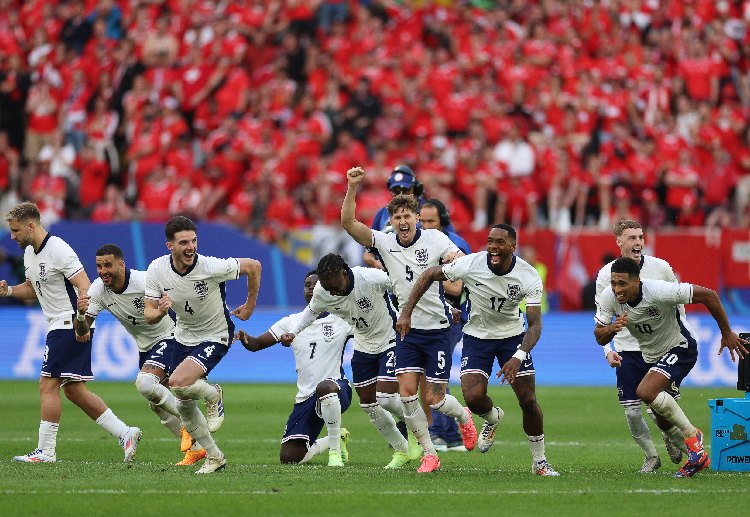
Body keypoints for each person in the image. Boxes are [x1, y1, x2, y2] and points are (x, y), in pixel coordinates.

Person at [342, 166, 476, 474]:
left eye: (408, 216)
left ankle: (464, 417)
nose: (403, 222)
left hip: (438, 328)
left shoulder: (436, 240)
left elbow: (458, 271)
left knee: (436, 398)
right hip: (406, 330)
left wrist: (448, 268)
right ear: (391, 222)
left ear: (417, 218)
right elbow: (348, 223)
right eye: (397, 218)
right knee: (406, 396)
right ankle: (430, 453)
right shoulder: (385, 243)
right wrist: (352, 187)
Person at [396, 224, 560, 476]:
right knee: (472, 398)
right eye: (490, 241)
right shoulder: (472, 263)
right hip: (476, 336)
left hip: (512, 337)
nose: (493, 247)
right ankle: (493, 417)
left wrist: (518, 355)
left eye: (500, 242)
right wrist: (406, 312)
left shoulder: (528, 275)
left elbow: (535, 324)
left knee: (528, 400)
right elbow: (429, 274)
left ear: (513, 246)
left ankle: (539, 462)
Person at [2, 201, 141, 464]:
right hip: (59, 323)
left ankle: (46, 451)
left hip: (68, 323)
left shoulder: (59, 249)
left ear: (31, 226)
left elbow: (84, 286)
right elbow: (33, 290)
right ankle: (125, 433)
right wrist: (8, 291)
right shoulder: (30, 253)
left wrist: (81, 323)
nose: (13, 236)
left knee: (48, 384)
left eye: (16, 230)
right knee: (74, 390)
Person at [595, 257, 749, 477]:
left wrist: (726, 332)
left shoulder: (659, 290)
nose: (617, 289)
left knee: (645, 392)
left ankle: (694, 441)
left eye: (622, 284)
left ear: (637, 281)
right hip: (651, 355)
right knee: (660, 417)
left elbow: (709, 295)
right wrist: (612, 329)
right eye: (614, 283)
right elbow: (599, 336)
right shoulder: (610, 296)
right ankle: (697, 455)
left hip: (681, 346)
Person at [279, 253, 422, 468]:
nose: (332, 292)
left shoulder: (370, 278)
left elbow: (404, 287)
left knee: (384, 397)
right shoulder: (323, 290)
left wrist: (420, 313)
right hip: (363, 345)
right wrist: (293, 332)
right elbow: (310, 312)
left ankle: (417, 427)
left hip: (390, 339)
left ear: (345, 273)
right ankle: (401, 450)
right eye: (327, 288)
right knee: (369, 404)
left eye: (335, 285)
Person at [143, 216, 261, 474]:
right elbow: (149, 314)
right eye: (183, 242)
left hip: (215, 334)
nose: (191, 247)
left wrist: (250, 305)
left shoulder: (210, 266)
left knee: (176, 383)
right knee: (183, 402)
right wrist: (161, 312)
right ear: (170, 246)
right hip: (182, 335)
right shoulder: (156, 270)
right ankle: (214, 456)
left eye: (194, 241)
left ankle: (212, 394)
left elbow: (254, 266)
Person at [74, 243, 205, 466]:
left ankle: (187, 424)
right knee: (157, 403)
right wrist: (80, 314)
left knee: (145, 383)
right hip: (145, 347)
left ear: (122, 265)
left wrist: (170, 308)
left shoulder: (144, 281)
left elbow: (179, 296)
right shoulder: (97, 290)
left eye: (108, 265)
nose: (103, 271)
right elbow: (81, 334)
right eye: (99, 266)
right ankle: (197, 449)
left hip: (169, 337)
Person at [594, 220, 687, 473]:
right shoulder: (606, 275)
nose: (637, 242)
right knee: (633, 412)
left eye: (640, 237)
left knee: (661, 407)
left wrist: (681, 338)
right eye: (631, 238)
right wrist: (608, 350)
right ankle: (650, 456)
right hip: (626, 348)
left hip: (660, 346)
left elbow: (679, 304)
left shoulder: (661, 268)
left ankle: (681, 444)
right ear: (619, 242)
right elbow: (601, 316)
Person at [235, 269, 353, 466]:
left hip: (337, 389)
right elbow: (256, 345)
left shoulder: (341, 319)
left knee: (325, 387)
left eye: (316, 285)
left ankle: (335, 453)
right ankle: (335, 439)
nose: (310, 289)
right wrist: (245, 338)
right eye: (307, 285)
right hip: (306, 397)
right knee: (289, 458)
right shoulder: (290, 322)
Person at [418, 199, 470, 451]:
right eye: (423, 221)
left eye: (431, 221)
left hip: (451, 315)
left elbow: (457, 285)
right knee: (430, 371)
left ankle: (441, 431)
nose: (426, 226)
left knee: (433, 372)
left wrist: (424, 276)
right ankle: (449, 435)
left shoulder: (455, 245)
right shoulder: (421, 242)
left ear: (443, 221)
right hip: (429, 314)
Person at [363, 165, 425, 269]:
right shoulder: (382, 213)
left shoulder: (429, 211)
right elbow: (368, 254)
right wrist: (375, 263)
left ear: (415, 189)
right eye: (396, 192)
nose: (400, 195)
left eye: (405, 190)